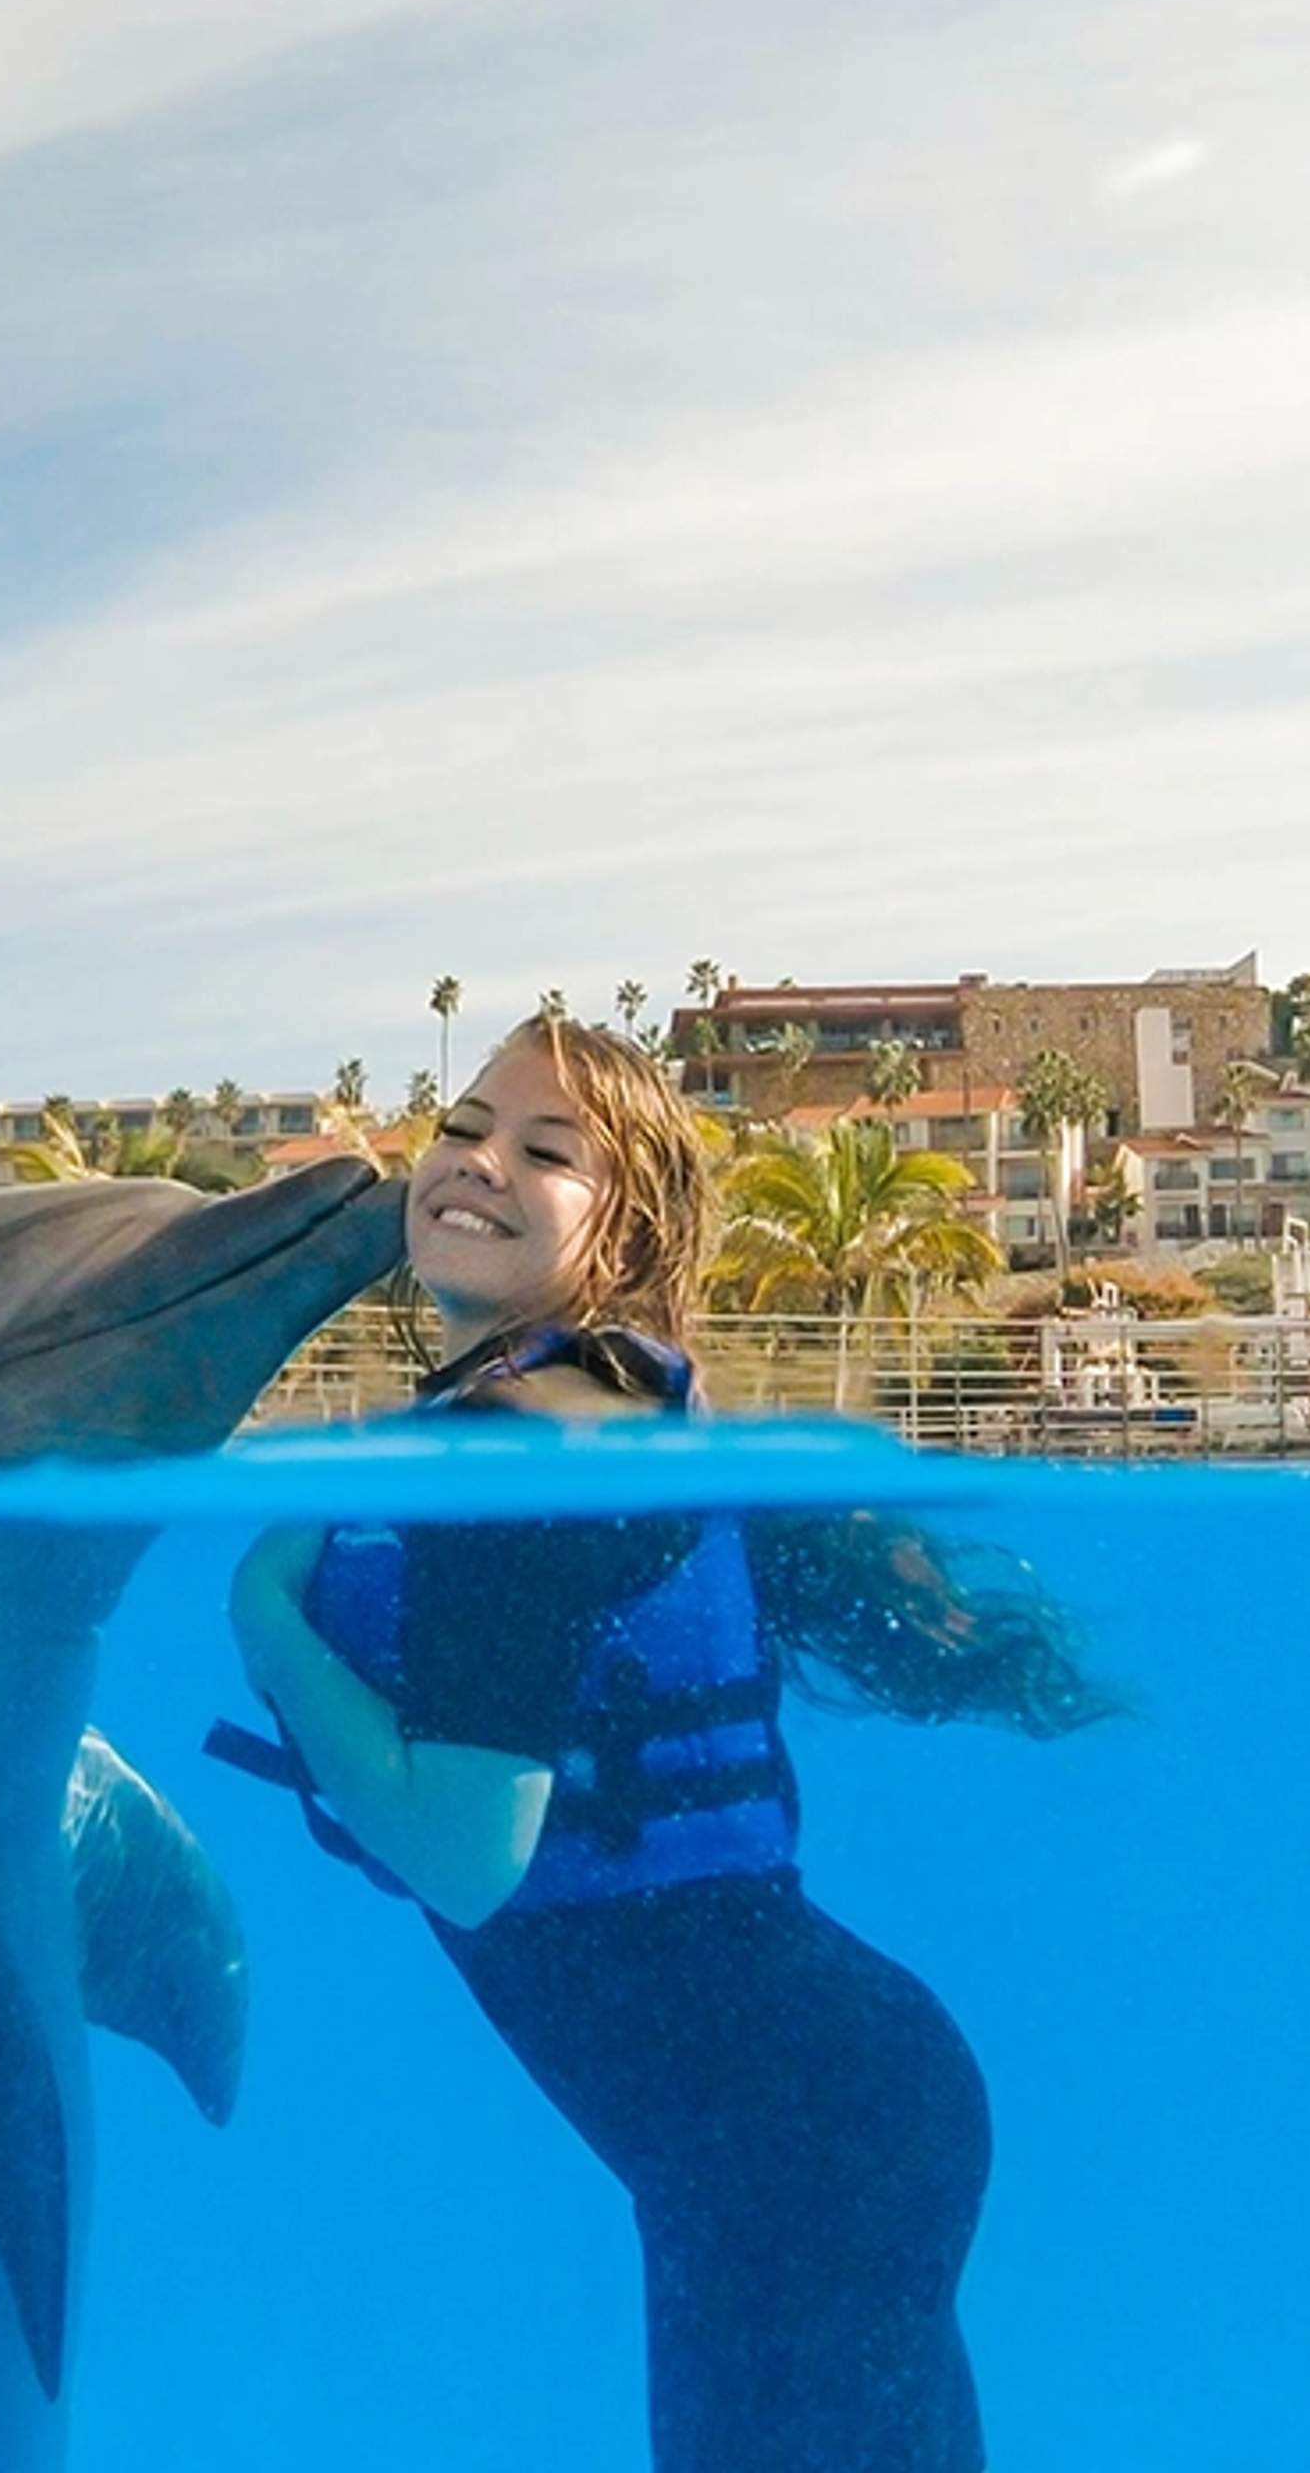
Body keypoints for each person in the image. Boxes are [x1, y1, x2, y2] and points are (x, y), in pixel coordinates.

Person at [209, 1011, 1113, 2473]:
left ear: (624, 1224)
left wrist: (266, 1614)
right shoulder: (588, 1401)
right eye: (464, 1128)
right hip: (802, 2129)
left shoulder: (532, 1439)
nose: (481, 1161)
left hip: (796, 2142)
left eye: (546, 1150)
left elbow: (463, 1854)